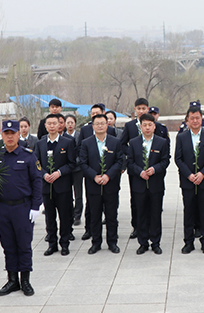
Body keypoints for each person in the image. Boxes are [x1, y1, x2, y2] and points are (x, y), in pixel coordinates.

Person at [0, 120, 42, 296]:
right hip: (3, 207)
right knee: (8, 244)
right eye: (6, 133)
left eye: (13, 133)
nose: (10, 136)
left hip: (23, 207)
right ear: (2, 135)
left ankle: (25, 281)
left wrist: (36, 206)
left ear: (18, 134)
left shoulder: (28, 156)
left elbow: (37, 181)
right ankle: (12, 280)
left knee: (24, 244)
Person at [174, 105, 204, 254]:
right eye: (191, 118)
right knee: (189, 212)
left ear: (202, 119)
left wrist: (202, 174)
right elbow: (178, 159)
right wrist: (189, 175)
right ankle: (188, 242)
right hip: (188, 182)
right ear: (187, 121)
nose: (194, 121)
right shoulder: (181, 137)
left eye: (197, 118)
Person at [79, 114, 125, 254]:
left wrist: (107, 176)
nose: (100, 126)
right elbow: (82, 163)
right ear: (93, 126)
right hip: (93, 185)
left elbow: (119, 161)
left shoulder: (115, 142)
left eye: (102, 123)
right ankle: (96, 243)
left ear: (107, 125)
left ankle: (112, 242)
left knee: (111, 216)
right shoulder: (86, 143)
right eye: (97, 123)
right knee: (95, 215)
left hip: (110, 185)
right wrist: (94, 176)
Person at [126, 114, 171, 255]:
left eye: (150, 125)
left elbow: (165, 161)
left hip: (155, 184)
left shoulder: (162, 142)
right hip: (139, 185)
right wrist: (140, 172)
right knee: (141, 214)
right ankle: (143, 242)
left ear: (154, 126)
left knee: (155, 213)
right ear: (140, 126)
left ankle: (155, 242)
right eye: (144, 125)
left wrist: (154, 169)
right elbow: (130, 162)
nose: (147, 127)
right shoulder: (133, 143)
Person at [33, 114, 76, 256]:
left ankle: (64, 244)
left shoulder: (67, 142)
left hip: (63, 186)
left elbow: (72, 164)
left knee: (64, 216)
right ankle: (52, 244)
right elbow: (36, 164)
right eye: (49, 123)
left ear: (59, 125)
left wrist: (59, 172)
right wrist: (44, 174)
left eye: (54, 123)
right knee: (49, 217)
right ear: (45, 126)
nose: (52, 126)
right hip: (46, 187)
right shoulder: (40, 144)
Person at [120, 98, 151, 239]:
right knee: (136, 198)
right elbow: (121, 144)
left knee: (151, 197)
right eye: (138, 108)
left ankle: (150, 225)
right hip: (134, 167)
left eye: (144, 108)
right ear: (135, 110)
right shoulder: (130, 126)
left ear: (148, 109)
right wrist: (132, 152)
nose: (141, 111)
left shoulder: (152, 125)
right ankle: (136, 226)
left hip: (151, 168)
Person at [63, 115, 84, 233]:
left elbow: (81, 151)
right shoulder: (63, 137)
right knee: (67, 193)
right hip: (67, 169)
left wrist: (75, 162)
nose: (70, 124)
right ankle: (69, 213)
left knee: (78, 193)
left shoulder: (79, 135)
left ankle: (77, 215)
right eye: (68, 122)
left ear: (75, 124)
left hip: (77, 169)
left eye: (72, 122)